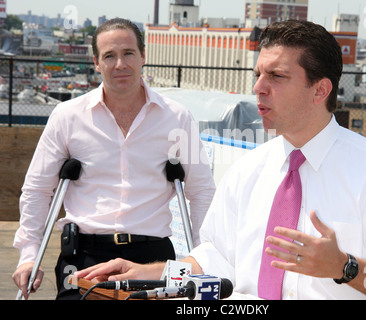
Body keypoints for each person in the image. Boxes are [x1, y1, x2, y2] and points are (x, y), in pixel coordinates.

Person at [75, 20, 366, 300]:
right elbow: (215, 258)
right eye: (258, 74)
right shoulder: (247, 170)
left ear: (320, 89)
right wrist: (148, 272)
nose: (259, 87)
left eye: (276, 76)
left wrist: (344, 267)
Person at [12, 18, 215, 300]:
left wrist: (202, 258)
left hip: (152, 256)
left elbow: (201, 189)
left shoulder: (177, 117)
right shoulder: (68, 117)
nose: (120, 64)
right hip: (85, 256)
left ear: (143, 56)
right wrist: (28, 255)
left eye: (128, 53)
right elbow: (38, 189)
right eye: (109, 56)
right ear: (96, 62)